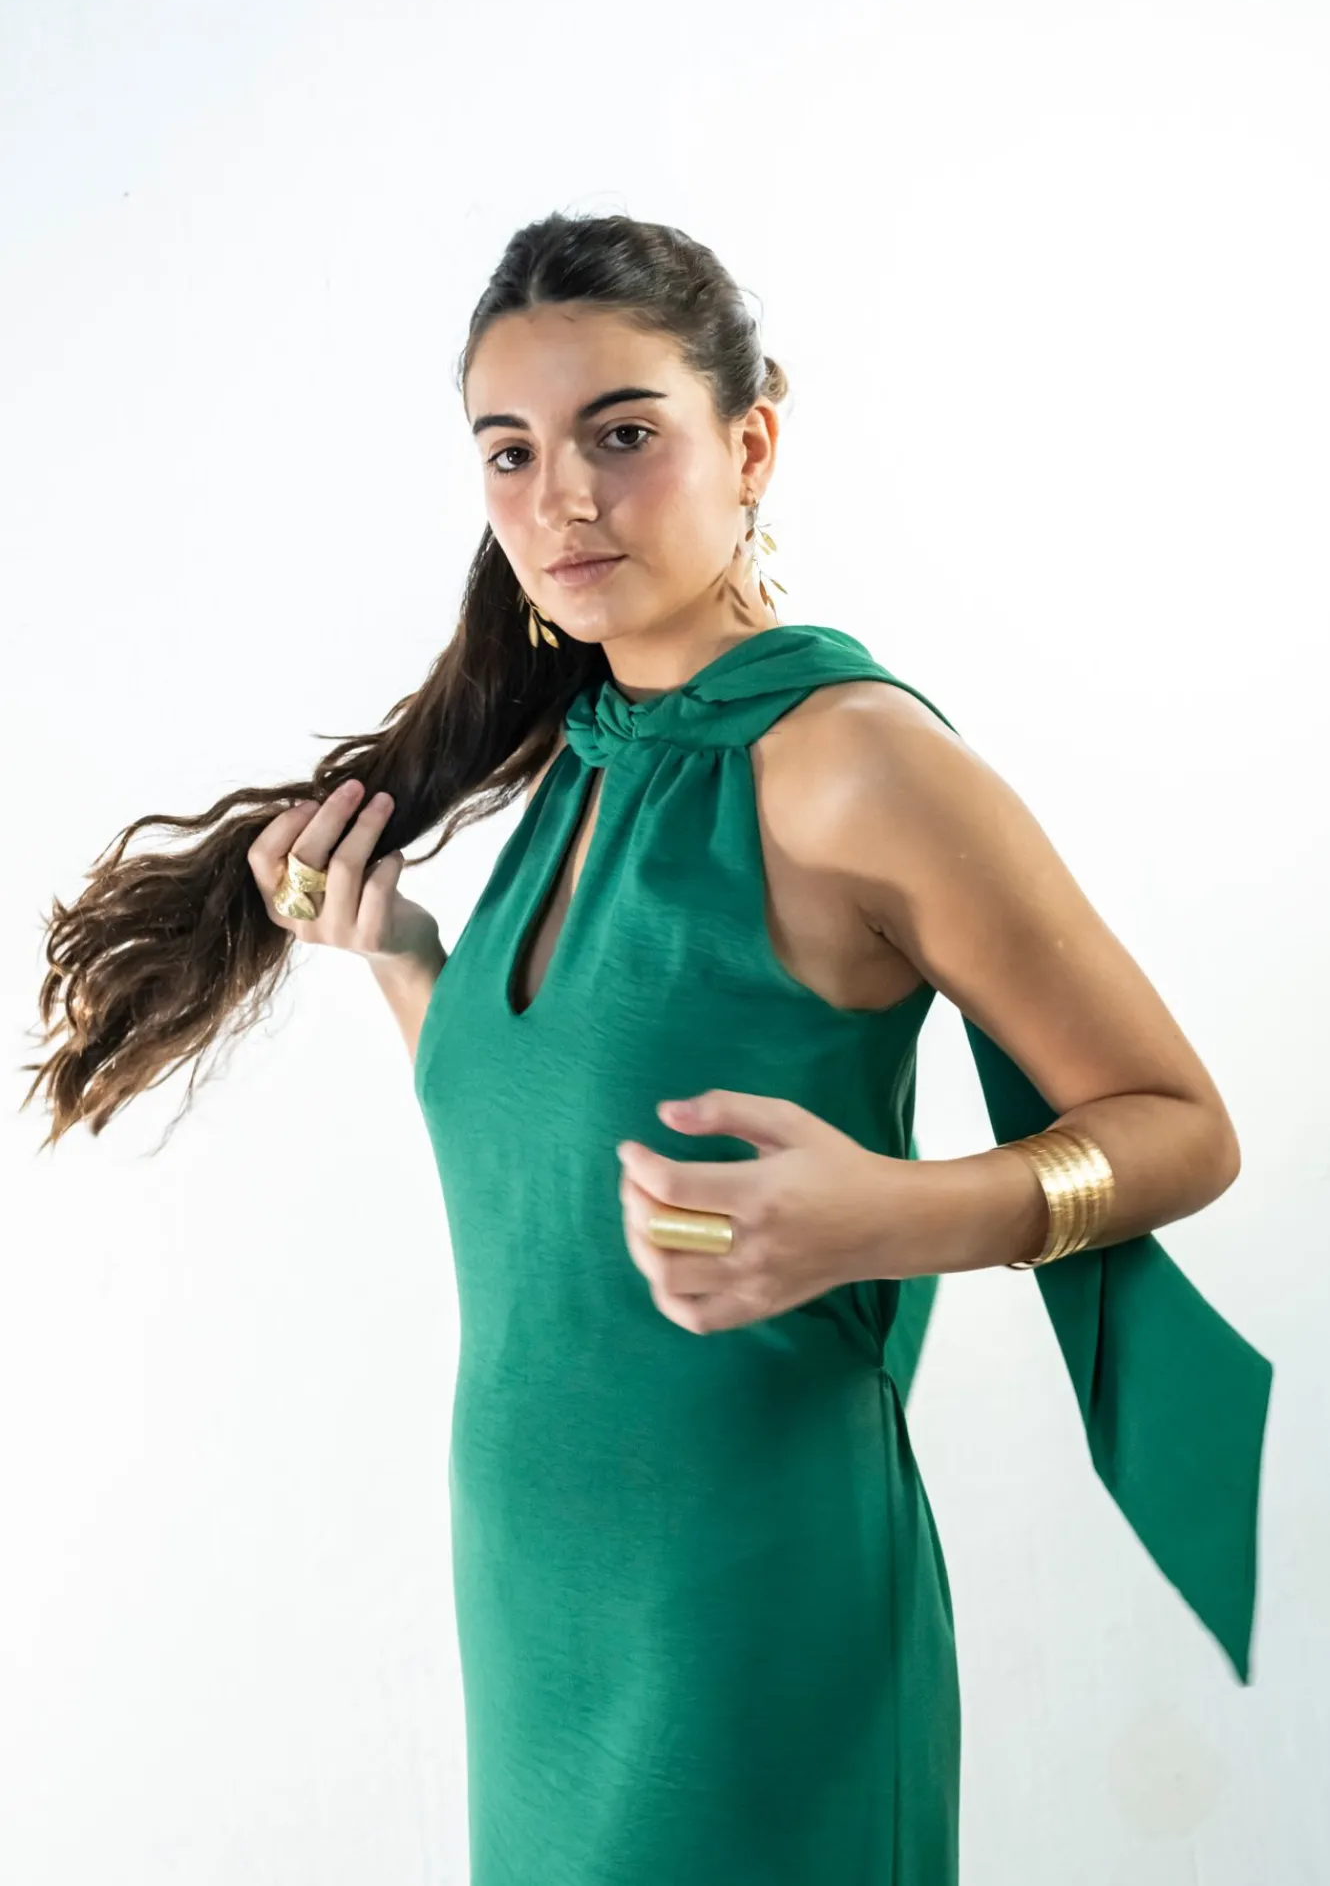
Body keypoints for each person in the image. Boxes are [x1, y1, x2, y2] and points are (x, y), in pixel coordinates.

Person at [25, 211, 1271, 1885]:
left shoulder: (853, 763)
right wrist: (405, 961)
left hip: (748, 1604)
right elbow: (553, 1148)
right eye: (512, 452)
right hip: (534, 1590)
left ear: (749, 445)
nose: (564, 499)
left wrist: (889, 1214)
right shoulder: (591, 749)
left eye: (621, 434)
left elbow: (1180, 1123)